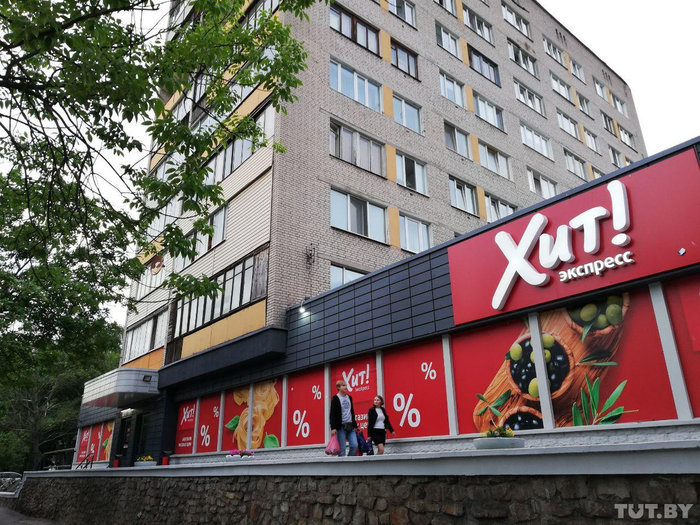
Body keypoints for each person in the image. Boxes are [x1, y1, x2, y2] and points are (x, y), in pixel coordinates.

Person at [329, 379, 358, 457]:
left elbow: (352, 411)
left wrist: (355, 426)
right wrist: (333, 428)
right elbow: (332, 414)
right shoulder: (335, 398)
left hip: (350, 426)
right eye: (343, 385)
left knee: (354, 445)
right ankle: (342, 464)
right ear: (338, 387)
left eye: (346, 385)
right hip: (341, 427)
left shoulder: (349, 397)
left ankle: (348, 461)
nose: (346, 387)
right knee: (342, 450)